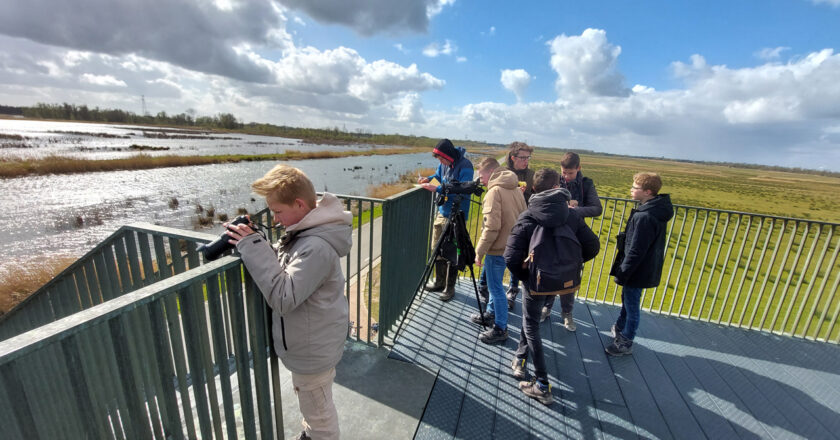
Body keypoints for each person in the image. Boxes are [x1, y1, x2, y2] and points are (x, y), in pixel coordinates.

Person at [225, 164, 351, 440]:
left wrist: (251, 247)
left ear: (299, 204)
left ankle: (316, 435)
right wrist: (255, 240)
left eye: (278, 211)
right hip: (311, 342)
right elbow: (289, 269)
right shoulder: (307, 233)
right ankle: (310, 433)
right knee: (313, 401)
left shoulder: (316, 246)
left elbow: (284, 296)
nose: (275, 218)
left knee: (320, 415)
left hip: (312, 348)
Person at [504, 168, 600, 405]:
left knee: (531, 325)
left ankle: (542, 384)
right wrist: (566, 267)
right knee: (531, 321)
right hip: (564, 282)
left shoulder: (528, 217)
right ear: (559, 187)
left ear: (534, 189)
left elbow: (511, 257)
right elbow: (593, 246)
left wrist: (526, 276)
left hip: (536, 282)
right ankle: (519, 359)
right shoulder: (572, 215)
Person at [606, 172, 674, 356]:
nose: (631, 189)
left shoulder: (645, 217)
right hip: (643, 268)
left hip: (637, 270)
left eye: (635, 187)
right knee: (628, 300)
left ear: (647, 192)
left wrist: (623, 272)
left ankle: (626, 341)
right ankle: (620, 327)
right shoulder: (655, 210)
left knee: (632, 304)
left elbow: (636, 249)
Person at [541, 152, 603, 330]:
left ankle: (567, 313)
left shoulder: (586, 184)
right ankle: (547, 307)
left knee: (570, 273)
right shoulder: (555, 180)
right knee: (551, 270)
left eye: (570, 173)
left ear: (579, 168)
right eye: (564, 173)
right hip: (553, 233)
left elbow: (597, 208)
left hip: (574, 236)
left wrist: (575, 210)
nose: (566, 177)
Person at [470, 157, 527, 344]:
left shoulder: (495, 192)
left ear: (489, 172)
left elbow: (491, 227)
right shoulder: (515, 187)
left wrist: (479, 252)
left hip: (497, 249)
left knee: (495, 289)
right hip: (513, 246)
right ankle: (490, 314)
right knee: (496, 288)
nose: (481, 181)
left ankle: (501, 328)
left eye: (481, 176)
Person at [478, 141, 536, 309]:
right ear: (513, 158)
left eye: (528, 157)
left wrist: (524, 195)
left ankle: (507, 297)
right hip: (503, 224)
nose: (526, 161)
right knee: (493, 265)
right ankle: (487, 293)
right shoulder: (502, 173)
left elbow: (537, 195)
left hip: (518, 223)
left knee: (507, 263)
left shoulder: (531, 175)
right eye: (523, 157)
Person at [418, 138, 475, 301]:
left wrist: (438, 188)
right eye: (439, 160)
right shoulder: (443, 164)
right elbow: (438, 176)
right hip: (442, 213)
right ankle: (439, 282)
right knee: (437, 249)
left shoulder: (465, 166)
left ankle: (449, 289)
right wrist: (428, 179)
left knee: (452, 252)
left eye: (442, 158)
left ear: (449, 155)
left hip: (457, 216)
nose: (441, 162)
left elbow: (464, 189)